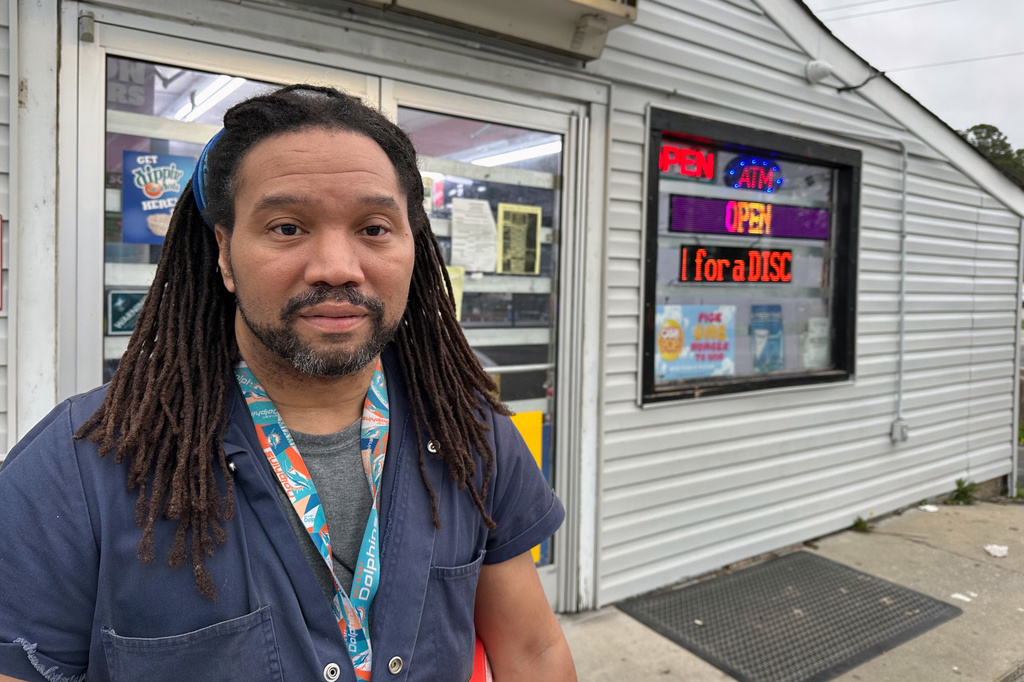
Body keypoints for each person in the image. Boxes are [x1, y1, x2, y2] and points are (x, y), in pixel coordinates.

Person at [0, 84, 576, 682]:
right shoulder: (80, 466)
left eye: (374, 228)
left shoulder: (471, 433)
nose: (335, 266)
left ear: (413, 246)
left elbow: (533, 652)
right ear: (224, 252)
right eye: (286, 227)